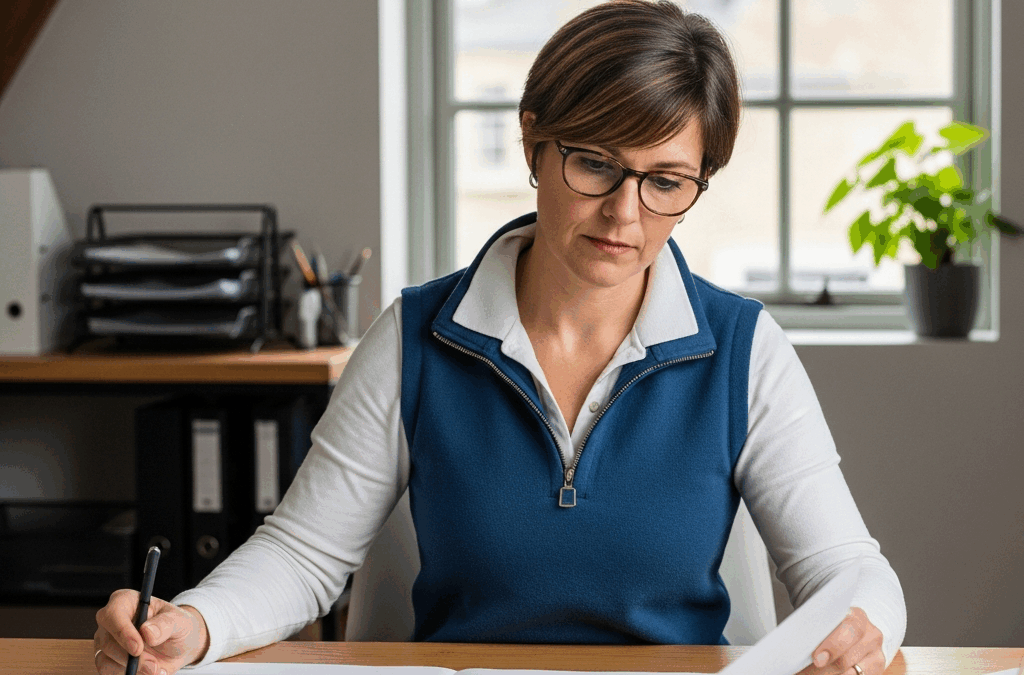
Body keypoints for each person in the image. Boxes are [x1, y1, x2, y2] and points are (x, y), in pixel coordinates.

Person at [93, 2, 906, 674]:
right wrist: (191, 621)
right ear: (532, 143)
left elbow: (850, 567)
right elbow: (304, 555)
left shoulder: (744, 350)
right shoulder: (414, 336)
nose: (625, 213)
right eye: (595, 164)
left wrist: (867, 623)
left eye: (665, 182)